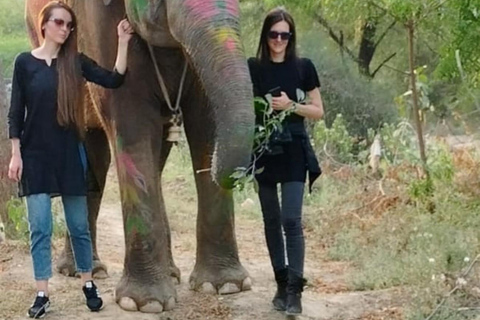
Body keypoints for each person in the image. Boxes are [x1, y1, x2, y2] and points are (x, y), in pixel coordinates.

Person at [7, 1, 133, 318]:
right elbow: (15, 113)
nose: (64, 29)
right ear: (44, 25)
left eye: (69, 25)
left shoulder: (75, 62)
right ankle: (41, 293)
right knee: (40, 227)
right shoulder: (24, 63)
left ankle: (88, 284)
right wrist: (15, 154)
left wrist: (122, 42)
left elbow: (114, 79)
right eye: (59, 23)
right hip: (34, 156)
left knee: (79, 226)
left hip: (69, 154)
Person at [247, 7, 324, 316]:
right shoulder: (252, 67)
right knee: (270, 221)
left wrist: (292, 106)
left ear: (291, 37)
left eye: (285, 35)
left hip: (294, 150)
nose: (279, 40)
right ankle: (280, 283)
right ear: (266, 36)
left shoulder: (304, 67)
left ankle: (295, 291)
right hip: (263, 150)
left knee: (291, 220)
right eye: (274, 34)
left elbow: (318, 110)